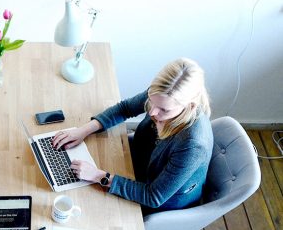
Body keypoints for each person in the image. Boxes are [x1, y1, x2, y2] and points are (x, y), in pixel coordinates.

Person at [52, 58, 213, 213]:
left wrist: (98, 175)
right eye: (152, 101)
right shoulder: (162, 93)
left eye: (164, 110)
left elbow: (153, 196)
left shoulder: (192, 145)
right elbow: (125, 109)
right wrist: (83, 130)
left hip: (158, 199)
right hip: (138, 163)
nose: (152, 112)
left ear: (190, 106)